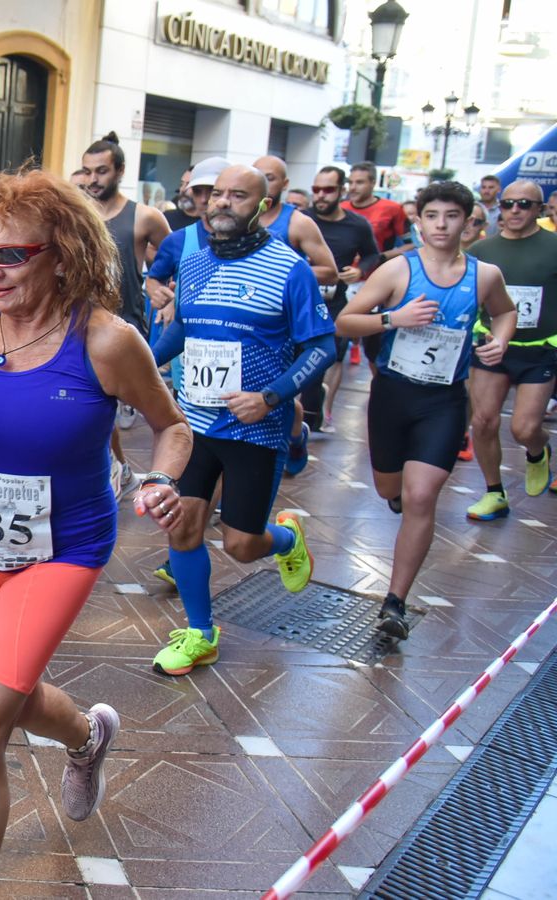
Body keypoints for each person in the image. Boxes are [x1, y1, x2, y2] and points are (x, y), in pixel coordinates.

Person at [0, 169, 192, 898]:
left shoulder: (106, 341)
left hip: (64, 550)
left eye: (11, 254)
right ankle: (88, 737)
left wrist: (161, 480)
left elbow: (171, 426)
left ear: (60, 253)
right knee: (15, 698)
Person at [146, 165, 334, 675]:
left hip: (255, 426)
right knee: (181, 527)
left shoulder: (288, 268)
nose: (222, 203)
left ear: (263, 206)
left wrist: (270, 398)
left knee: (241, 545)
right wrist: (139, 363)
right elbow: (182, 328)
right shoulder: (198, 265)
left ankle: (287, 539)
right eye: (217, 195)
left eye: (237, 195)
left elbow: (322, 345)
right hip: (196, 424)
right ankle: (201, 633)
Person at [337, 180, 515, 638]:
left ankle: (394, 603)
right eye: (432, 215)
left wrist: (499, 341)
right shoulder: (398, 271)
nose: (441, 225)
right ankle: (395, 494)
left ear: (468, 221)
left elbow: (505, 312)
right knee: (390, 489)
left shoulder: (485, 274)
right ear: (418, 220)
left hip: (444, 399)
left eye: (451, 216)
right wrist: (392, 318)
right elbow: (345, 320)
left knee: (422, 497)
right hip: (393, 396)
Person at [464, 180, 557, 520]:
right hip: (491, 347)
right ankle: (494, 493)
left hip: (539, 349)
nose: (515, 210)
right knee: (484, 421)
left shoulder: (553, 246)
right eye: (508, 204)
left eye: (525, 204)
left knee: (524, 428)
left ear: (540, 209)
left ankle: (537, 451)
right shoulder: (481, 251)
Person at [82, 133, 171, 485]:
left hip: (125, 325)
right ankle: (116, 468)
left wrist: (165, 291)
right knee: (95, 406)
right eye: (87, 171)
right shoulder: (75, 214)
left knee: (128, 410)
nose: (92, 180)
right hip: (79, 324)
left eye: (101, 171)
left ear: (119, 171)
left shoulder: (145, 217)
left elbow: (177, 260)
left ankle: (152, 472)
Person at [253, 154, 338, 475]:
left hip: (286, 326)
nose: (264, 182)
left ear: (285, 184)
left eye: (271, 177)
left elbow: (329, 271)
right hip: (248, 323)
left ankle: (291, 435)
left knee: (277, 392)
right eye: (258, 175)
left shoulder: (297, 223)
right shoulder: (237, 219)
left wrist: (282, 274)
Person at [302, 166, 382, 432]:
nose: (321, 196)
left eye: (328, 190)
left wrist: (360, 270)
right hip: (300, 301)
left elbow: (373, 254)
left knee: (332, 357)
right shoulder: (301, 220)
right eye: (316, 189)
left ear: (341, 191)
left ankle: (323, 409)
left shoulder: (357, 225)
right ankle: (302, 410)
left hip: (335, 302)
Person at [344, 162, 411, 259]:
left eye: (359, 182)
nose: (353, 188)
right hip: (340, 271)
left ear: (373, 183)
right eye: (350, 182)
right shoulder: (340, 208)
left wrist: (381, 257)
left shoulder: (393, 208)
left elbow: (413, 244)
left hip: (375, 271)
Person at [164, 164, 200, 231]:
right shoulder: (165, 219)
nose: (182, 189)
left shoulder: (210, 224)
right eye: (181, 184)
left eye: (189, 184)